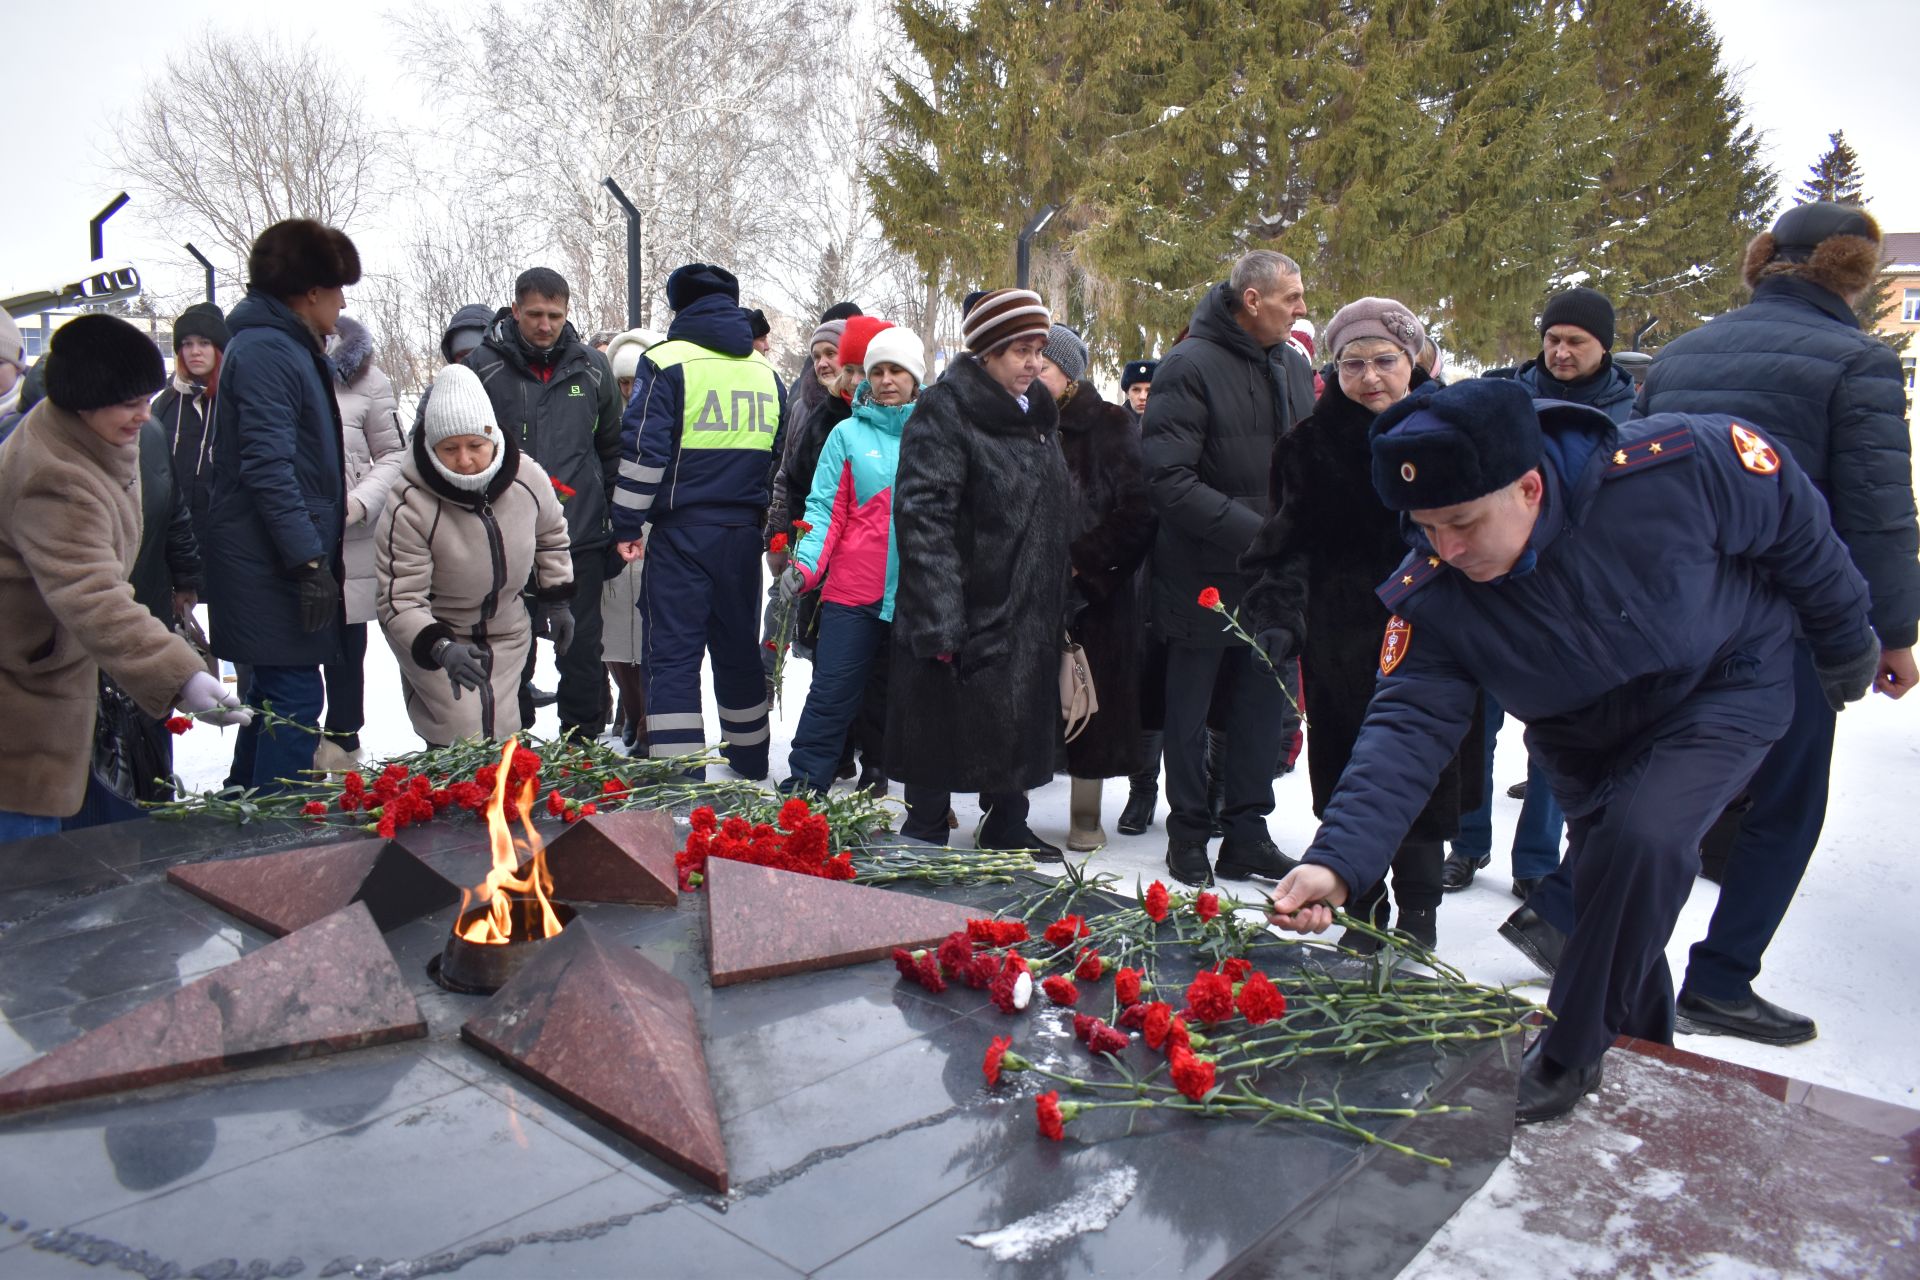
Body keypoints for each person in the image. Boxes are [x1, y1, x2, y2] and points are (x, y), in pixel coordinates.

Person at [1266, 378, 1877, 1123]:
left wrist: (1846, 639)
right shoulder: (1434, 592)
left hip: (1721, 681)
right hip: (1583, 739)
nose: (1446, 549)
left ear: (1528, 487)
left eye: (1461, 522)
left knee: (1642, 839)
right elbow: (1406, 728)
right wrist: (1338, 860)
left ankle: (1566, 1054)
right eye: (1426, 528)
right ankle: (1651, 1062)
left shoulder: (1676, 467)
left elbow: (1790, 514)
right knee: (1614, 896)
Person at [1508, 202, 1920, 1047]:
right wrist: (1892, 630)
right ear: (1852, 271)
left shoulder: (1688, 352)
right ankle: (1723, 980)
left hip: (1679, 612)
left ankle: (1562, 908)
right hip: (1795, 620)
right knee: (1785, 803)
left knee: (1664, 777)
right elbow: (1877, 517)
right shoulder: (1861, 363)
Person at [1241, 298, 1474, 952]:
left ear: (1413, 360)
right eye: (1353, 364)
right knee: (1351, 772)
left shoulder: (1451, 430)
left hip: (1437, 634)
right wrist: (1280, 618)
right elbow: (1284, 545)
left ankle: (1420, 914)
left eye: (1384, 360)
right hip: (1343, 641)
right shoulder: (1308, 445)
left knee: (1427, 777)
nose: (1370, 376)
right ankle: (1362, 913)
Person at [0, 315, 250, 841]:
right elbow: (92, 594)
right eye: (129, 403)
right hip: (23, 693)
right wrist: (180, 675)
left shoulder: (97, 440)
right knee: (28, 875)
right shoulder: (53, 477)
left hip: (68, 670)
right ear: (84, 400)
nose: (144, 415)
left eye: (146, 399)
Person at [1442, 290, 1632, 898]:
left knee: (1556, 734)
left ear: (1604, 345)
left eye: (1576, 341)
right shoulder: (1509, 397)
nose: (1561, 351)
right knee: (1481, 724)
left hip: (1577, 596)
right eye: (1553, 339)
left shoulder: (1631, 408)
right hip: (1500, 586)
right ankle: (1467, 845)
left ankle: (1537, 862)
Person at [1142, 250, 1314, 886]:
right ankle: (1188, 833)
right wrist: (1264, 532)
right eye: (1290, 298)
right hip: (1201, 577)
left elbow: (1305, 462)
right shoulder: (1187, 366)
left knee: (1261, 712)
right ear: (1251, 300)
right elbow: (1168, 480)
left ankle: (1246, 834)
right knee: (1190, 715)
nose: (1300, 309)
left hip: (1273, 582)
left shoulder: (1294, 365)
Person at [887, 288, 1072, 856]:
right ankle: (924, 824)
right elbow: (923, 514)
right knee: (940, 714)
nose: (1035, 362)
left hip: (1027, 599)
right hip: (966, 600)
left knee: (1015, 713)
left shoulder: (1035, 413)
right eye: (1021, 349)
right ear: (988, 351)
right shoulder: (946, 409)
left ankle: (1007, 821)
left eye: (1039, 349)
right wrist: (941, 614)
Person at [203, 219, 358, 794]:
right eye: (339, 291)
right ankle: (274, 834)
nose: (342, 306)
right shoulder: (270, 350)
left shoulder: (278, 344)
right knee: (293, 698)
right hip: (268, 564)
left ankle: (243, 809)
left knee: (270, 699)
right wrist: (308, 561)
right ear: (311, 291)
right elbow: (269, 468)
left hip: (270, 560)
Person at [612, 263, 785, 779]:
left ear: (678, 307)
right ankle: (750, 756)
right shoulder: (765, 373)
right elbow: (776, 455)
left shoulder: (664, 362)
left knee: (673, 653)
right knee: (736, 648)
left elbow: (643, 453)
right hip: (740, 536)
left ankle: (680, 771)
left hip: (682, 533)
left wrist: (625, 524)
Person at [376, 364, 573, 745]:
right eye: (449, 449)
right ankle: (450, 790)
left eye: (475, 446)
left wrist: (558, 596)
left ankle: (500, 796)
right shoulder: (410, 504)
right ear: (431, 447)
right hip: (441, 629)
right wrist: (440, 647)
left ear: (493, 440)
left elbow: (552, 533)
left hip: (507, 625)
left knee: (502, 728)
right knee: (460, 729)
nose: (464, 460)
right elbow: (398, 599)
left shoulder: (526, 478)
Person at [465, 268, 622, 740]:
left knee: (582, 648)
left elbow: (614, 448)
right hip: (505, 539)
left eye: (555, 315)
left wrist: (617, 521)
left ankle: (583, 741)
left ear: (567, 313)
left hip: (580, 536)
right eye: (534, 314)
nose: (545, 324)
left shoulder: (592, 368)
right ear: (515, 310)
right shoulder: (481, 367)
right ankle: (514, 744)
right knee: (512, 649)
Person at [779, 325, 926, 795]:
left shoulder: (934, 435)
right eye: (877, 370)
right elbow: (824, 509)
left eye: (896, 371)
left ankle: (883, 770)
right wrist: (803, 568)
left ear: (915, 378)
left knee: (895, 693)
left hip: (914, 592)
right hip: (851, 589)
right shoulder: (845, 434)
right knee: (832, 689)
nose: (885, 379)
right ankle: (808, 777)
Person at [1034, 325, 1155, 851]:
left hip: (1093, 595)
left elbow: (1138, 510)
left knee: (1088, 701)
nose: (1034, 372)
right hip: (1027, 586)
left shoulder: (1108, 424)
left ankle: (1086, 814)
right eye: (1030, 361)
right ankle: (1004, 806)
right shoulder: (1019, 422)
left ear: (1068, 373)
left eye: (1044, 365)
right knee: (1026, 698)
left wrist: (1083, 565)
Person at [315, 315, 405, 774]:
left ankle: (342, 748)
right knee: (289, 654)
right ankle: (293, 752)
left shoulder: (368, 380)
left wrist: (358, 503)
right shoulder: (278, 368)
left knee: (346, 647)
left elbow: (393, 454)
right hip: (286, 533)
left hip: (349, 537)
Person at [601, 327, 666, 751]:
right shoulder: (604, 412)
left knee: (648, 624)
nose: (629, 389)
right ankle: (629, 703)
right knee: (613, 625)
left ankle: (645, 714)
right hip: (610, 522)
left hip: (654, 524)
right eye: (622, 382)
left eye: (634, 380)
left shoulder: (666, 407)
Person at [151, 301, 229, 551]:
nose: (195, 351)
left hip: (220, 542)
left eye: (204, 343)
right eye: (187, 344)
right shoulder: (162, 403)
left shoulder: (235, 403)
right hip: (168, 538)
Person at [1120, 360, 1156, 426]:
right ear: (1127, 393)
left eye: (1149, 390)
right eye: (1136, 390)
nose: (1142, 397)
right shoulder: (1112, 426)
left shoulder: (1172, 426)